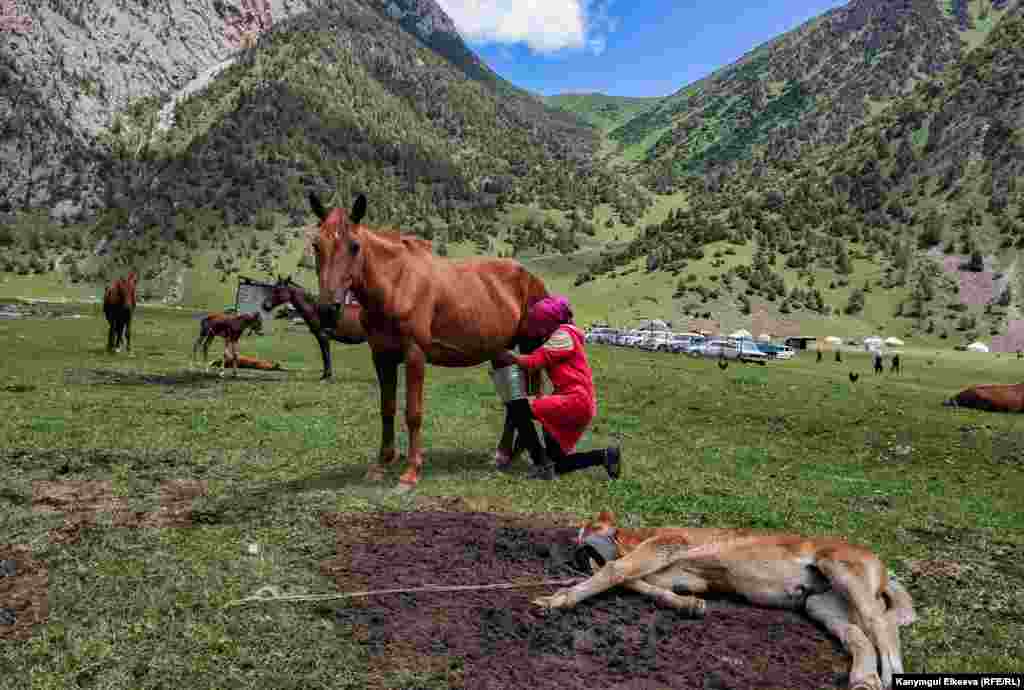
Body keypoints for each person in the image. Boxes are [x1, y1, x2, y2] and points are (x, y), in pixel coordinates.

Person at [493, 295, 621, 481]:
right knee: (559, 463)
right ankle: (605, 456)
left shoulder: (563, 335)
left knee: (517, 407)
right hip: (579, 402)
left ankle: (540, 462)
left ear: (547, 323)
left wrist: (508, 356)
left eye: (538, 323)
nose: (536, 328)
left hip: (573, 401)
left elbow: (535, 361)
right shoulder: (567, 333)